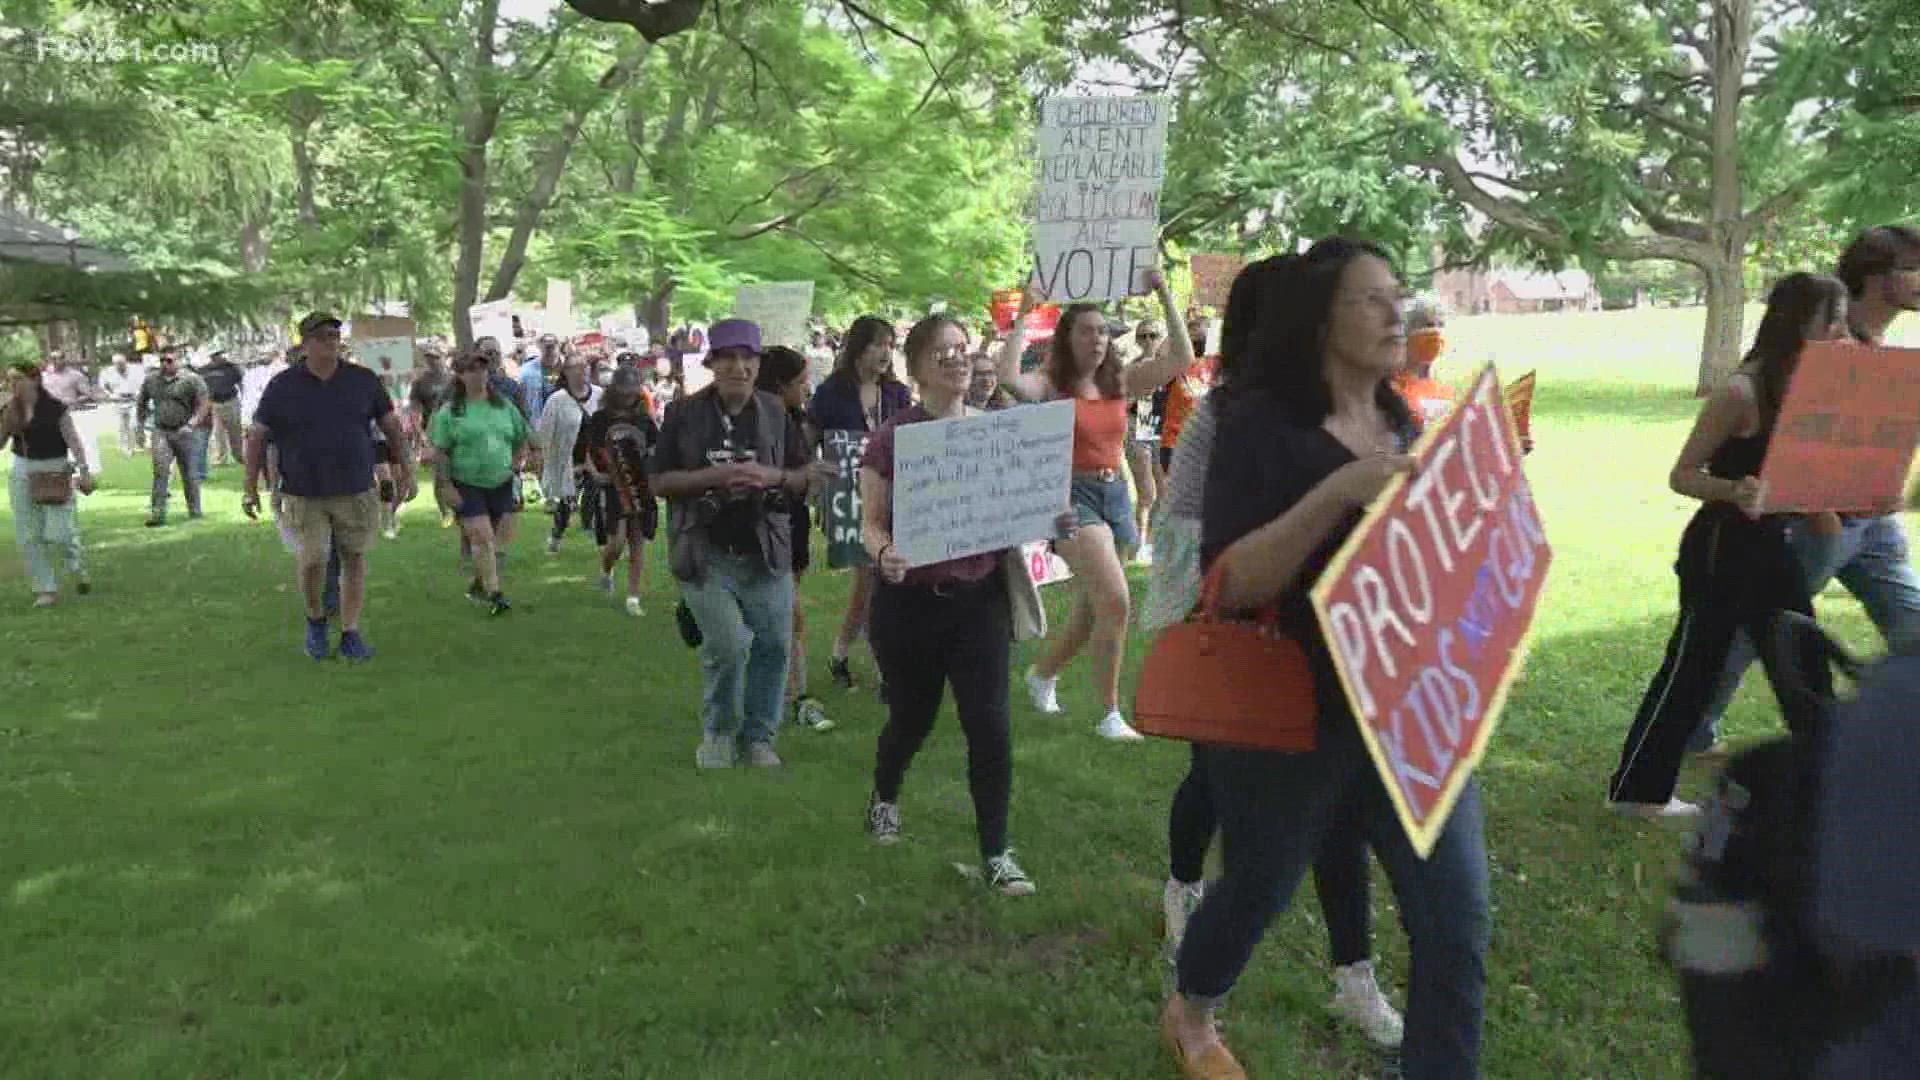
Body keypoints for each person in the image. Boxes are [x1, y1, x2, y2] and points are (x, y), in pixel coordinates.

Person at [1161, 239, 1490, 1080]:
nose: (1396, 314)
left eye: (1398, 295)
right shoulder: (1257, 428)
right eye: (1371, 300)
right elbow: (1231, 582)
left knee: (1456, 921)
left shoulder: (1403, 419)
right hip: (1293, 706)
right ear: (1321, 320)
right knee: (1261, 882)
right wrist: (1341, 491)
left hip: (1413, 704)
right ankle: (1192, 1007)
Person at [1148, 258, 1406, 1054]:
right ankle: (1184, 893)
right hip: (1240, 650)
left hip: (1350, 675)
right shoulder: (1229, 417)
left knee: (1339, 838)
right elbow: (1184, 532)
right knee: (1239, 826)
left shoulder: (1371, 409)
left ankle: (1353, 974)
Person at [1608, 273, 1851, 817]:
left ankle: (1831, 783)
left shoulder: (1815, 387)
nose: (1840, 330)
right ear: (1798, 322)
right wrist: (1732, 489)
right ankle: (1637, 793)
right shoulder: (1743, 391)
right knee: (1694, 669)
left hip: (1773, 544)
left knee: (1803, 660)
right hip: (1722, 547)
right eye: (1830, 319)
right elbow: (1682, 475)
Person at [859, 314, 1069, 896]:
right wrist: (885, 555)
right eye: (940, 352)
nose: (955, 360)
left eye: (960, 349)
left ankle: (997, 851)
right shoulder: (892, 438)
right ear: (917, 366)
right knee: (912, 718)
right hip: (908, 607)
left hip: (979, 604)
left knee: (990, 726)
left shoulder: (996, 432)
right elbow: (871, 524)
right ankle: (885, 795)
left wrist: (1053, 518)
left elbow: (1025, 506)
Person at [1695, 225, 1920, 753]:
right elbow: (1791, 434)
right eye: (1911, 268)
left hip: (1872, 522)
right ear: (1874, 276)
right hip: (1815, 524)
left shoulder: (1881, 349)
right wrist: (1822, 514)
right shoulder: (1824, 341)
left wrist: (1888, 489)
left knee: (1910, 616)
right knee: (1761, 628)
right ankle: (1693, 728)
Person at [998, 270, 1193, 740]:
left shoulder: (1120, 383)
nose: (1098, 338)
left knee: (1093, 605)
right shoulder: (1050, 385)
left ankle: (1043, 674)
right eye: (1087, 330)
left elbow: (1183, 357)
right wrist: (1025, 311)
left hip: (1116, 496)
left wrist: (1165, 291)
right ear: (1067, 338)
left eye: (1104, 330)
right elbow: (1006, 379)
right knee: (1116, 600)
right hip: (1070, 500)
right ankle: (1109, 713)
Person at [649, 318, 811, 769]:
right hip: (703, 550)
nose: (739, 367)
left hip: (765, 548)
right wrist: (713, 477)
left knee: (775, 643)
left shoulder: (777, 413)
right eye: (729, 358)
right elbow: (658, 480)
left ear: (758, 365)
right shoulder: (683, 414)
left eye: (748, 358)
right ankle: (719, 732)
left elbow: (802, 476)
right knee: (727, 643)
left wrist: (771, 476)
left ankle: (759, 737)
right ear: (713, 364)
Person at [244, 313, 416, 661]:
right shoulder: (283, 385)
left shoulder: (362, 380)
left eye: (336, 335)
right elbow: (258, 436)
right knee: (313, 560)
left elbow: (391, 427)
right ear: (305, 343)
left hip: (355, 487)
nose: (331, 342)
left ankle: (351, 631)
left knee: (354, 557)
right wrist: (251, 486)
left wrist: (406, 471)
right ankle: (316, 621)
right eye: (322, 336)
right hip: (303, 491)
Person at [807, 315, 914, 698]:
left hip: (892, 496)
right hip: (848, 497)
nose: (885, 352)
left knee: (878, 581)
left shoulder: (898, 395)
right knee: (871, 577)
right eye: (877, 344)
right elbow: (810, 443)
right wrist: (816, 481)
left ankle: (843, 655)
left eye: (890, 344)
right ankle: (883, 669)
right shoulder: (830, 393)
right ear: (857, 348)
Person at [754, 345, 835, 731]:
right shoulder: (759, 424)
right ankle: (795, 696)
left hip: (794, 527)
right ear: (781, 384)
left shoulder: (796, 420)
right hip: (770, 530)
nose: (808, 388)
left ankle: (783, 692)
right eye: (802, 381)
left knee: (784, 615)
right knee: (789, 614)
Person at [429, 347, 533, 616]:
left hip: (501, 479)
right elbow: (440, 452)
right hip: (466, 481)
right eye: (471, 370)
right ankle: (495, 594)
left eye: (482, 369)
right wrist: (446, 486)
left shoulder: (504, 406)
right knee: (483, 538)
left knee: (501, 537)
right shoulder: (451, 412)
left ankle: (479, 582)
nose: (478, 374)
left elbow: (522, 437)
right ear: (460, 376)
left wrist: (519, 461)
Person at [3, 364, 95, 606]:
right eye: (9, 380)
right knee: (29, 534)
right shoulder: (11, 409)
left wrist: (84, 471)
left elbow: (73, 441)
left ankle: (76, 563)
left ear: (34, 380)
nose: (13, 384)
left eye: (18, 379)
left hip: (55, 468)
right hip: (23, 469)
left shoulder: (55, 408)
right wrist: (6, 420)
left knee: (60, 534)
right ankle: (45, 588)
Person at [579, 366, 658, 615]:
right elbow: (588, 451)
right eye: (623, 392)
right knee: (616, 542)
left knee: (637, 540)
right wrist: (595, 474)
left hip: (640, 485)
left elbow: (656, 449)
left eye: (632, 392)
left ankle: (633, 598)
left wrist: (655, 475)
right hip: (614, 486)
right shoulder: (601, 418)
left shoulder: (644, 420)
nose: (628, 396)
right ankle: (606, 568)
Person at [537, 356, 601, 555]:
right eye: (577, 368)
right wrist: (546, 462)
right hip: (569, 458)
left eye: (585, 367)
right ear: (566, 372)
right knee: (566, 501)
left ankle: (590, 526)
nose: (582, 371)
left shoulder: (599, 395)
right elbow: (546, 433)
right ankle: (557, 533)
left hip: (595, 457)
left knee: (594, 492)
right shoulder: (557, 400)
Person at [137, 351, 208, 528]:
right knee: (160, 471)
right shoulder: (151, 380)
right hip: (161, 431)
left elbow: (203, 404)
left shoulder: (192, 379)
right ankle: (158, 513)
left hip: (185, 431)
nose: (165, 364)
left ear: (178, 361)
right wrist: (140, 425)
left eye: (169, 360)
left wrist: (191, 424)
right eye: (161, 360)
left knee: (189, 473)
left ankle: (195, 510)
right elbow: (142, 402)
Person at [1392, 298, 1456, 430]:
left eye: (1440, 325)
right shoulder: (1389, 388)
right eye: (1428, 325)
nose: (1436, 333)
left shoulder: (1446, 391)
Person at [199, 348, 246, 469]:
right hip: (214, 404)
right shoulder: (204, 370)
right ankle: (221, 458)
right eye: (216, 355)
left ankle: (239, 455)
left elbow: (240, 383)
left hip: (231, 401)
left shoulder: (231, 367)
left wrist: (243, 398)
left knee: (235, 431)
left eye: (220, 354)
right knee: (218, 432)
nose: (219, 357)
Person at [99, 353, 145, 456]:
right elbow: (103, 386)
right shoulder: (107, 372)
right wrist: (110, 395)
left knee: (135, 424)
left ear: (125, 361)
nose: (120, 366)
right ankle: (126, 448)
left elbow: (144, 383)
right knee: (122, 426)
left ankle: (139, 443)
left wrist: (139, 393)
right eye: (117, 364)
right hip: (118, 401)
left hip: (133, 400)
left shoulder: (136, 370)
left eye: (121, 363)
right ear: (114, 364)